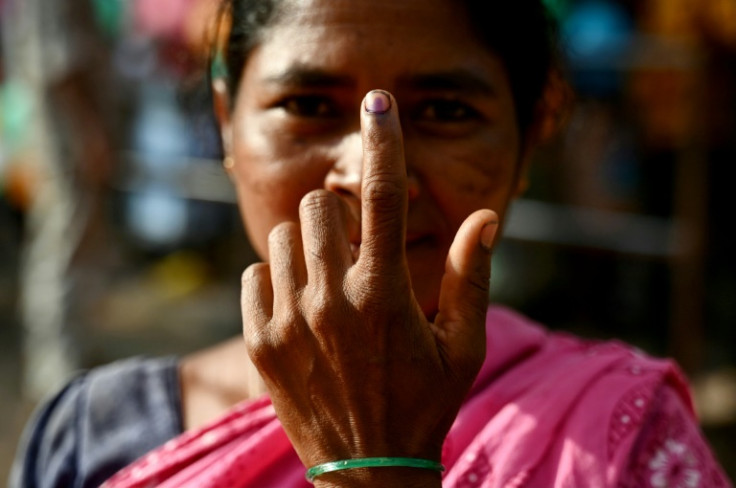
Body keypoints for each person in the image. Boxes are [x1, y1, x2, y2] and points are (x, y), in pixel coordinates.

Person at [10, 0, 732, 487]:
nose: (370, 174)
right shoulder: (92, 434)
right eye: (309, 107)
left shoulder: (628, 444)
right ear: (228, 124)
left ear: (530, 136)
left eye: (446, 111)